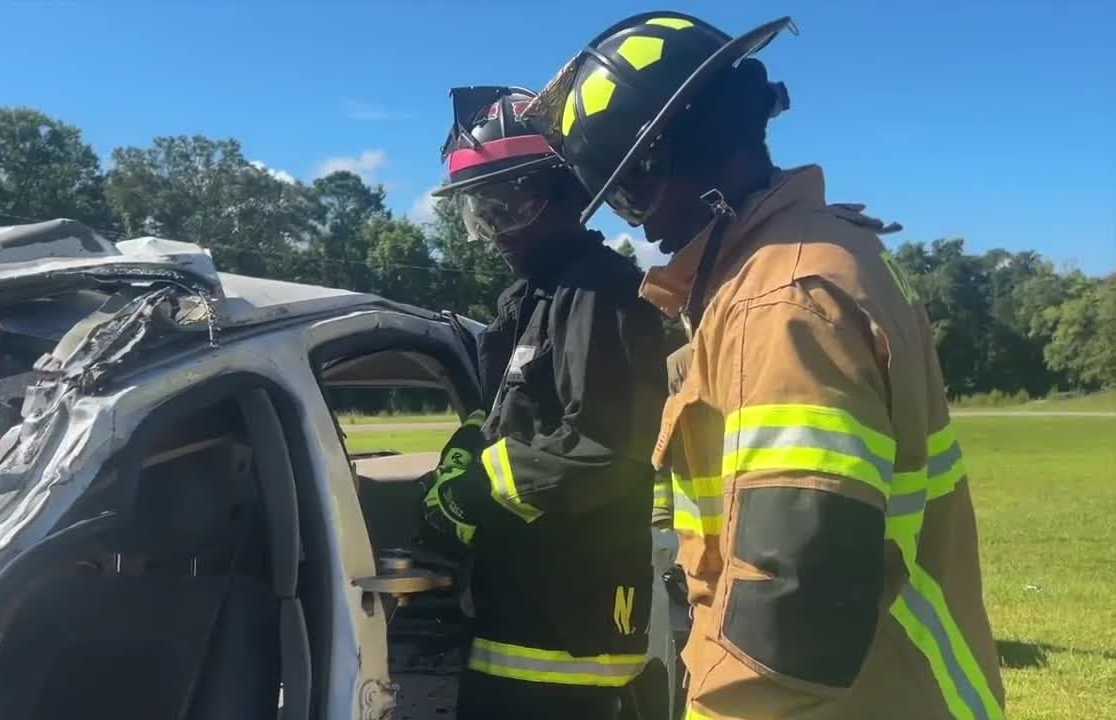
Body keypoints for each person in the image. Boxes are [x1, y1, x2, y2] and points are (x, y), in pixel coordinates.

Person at [526, 12, 1006, 720]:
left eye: (632, 194)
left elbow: (790, 613)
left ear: (681, 155)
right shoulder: (822, 255)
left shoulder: (778, 302)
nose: (639, 226)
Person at [418, 85, 667, 720]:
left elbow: (603, 448)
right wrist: (460, 456)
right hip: (516, 623)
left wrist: (475, 493)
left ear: (564, 195)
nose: (494, 230)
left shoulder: (601, 295)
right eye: (482, 211)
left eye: (508, 206)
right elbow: (502, 414)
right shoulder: (530, 303)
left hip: (571, 644)